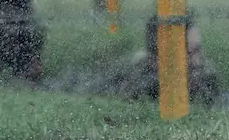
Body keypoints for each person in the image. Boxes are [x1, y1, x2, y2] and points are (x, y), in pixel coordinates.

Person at [92, 14, 221, 105]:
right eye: (190, 53)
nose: (198, 61)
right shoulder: (142, 83)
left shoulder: (206, 76)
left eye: (198, 49)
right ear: (158, 59)